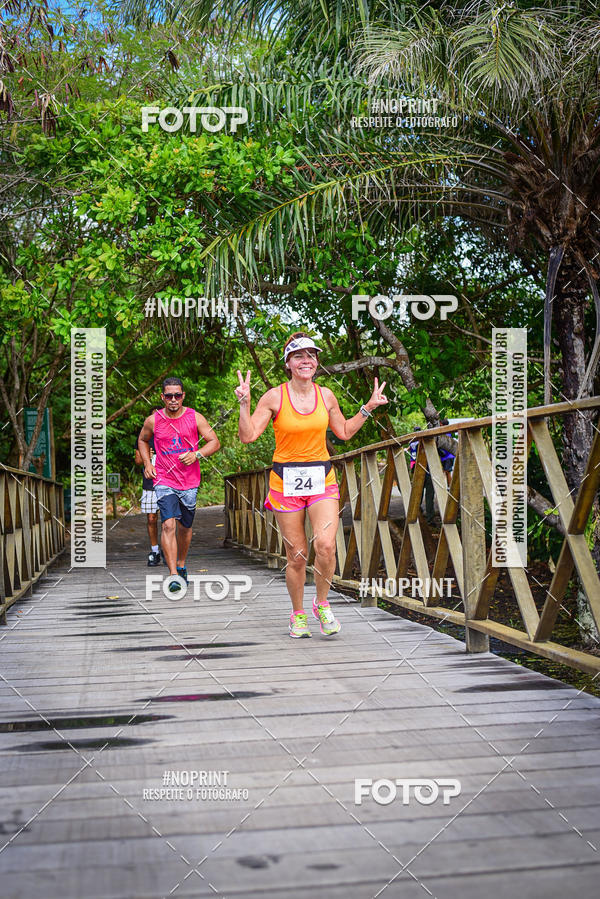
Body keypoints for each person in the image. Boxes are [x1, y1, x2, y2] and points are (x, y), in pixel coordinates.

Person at [235, 332, 388, 638]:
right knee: (298, 556)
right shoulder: (274, 397)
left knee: (326, 545)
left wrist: (368, 407)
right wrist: (245, 403)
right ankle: (298, 613)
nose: (306, 361)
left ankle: (321, 603)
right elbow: (248, 436)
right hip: (285, 482)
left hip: (321, 479)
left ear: (317, 362)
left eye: (311, 355)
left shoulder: (326, 395)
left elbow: (343, 432)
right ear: (288, 364)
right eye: (298, 356)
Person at [138, 378, 220, 592]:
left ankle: (181, 564)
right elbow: (142, 440)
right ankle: (173, 574)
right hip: (164, 479)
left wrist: (197, 454)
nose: (173, 400)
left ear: (183, 396)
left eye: (177, 395)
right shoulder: (153, 420)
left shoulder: (195, 417)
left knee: (185, 527)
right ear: (162, 397)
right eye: (168, 396)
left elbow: (214, 442)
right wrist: (148, 463)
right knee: (168, 524)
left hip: (189, 481)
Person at [134, 428, 162, 566]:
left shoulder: (171, 434)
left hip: (169, 483)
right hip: (150, 484)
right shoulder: (144, 437)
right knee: (152, 518)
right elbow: (138, 460)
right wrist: (148, 458)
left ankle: (169, 550)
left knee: (170, 520)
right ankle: (155, 551)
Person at [408, 426, 435, 525]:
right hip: (427, 468)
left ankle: (418, 513)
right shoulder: (424, 441)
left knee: (418, 492)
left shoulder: (411, 442)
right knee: (429, 494)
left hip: (415, 467)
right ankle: (429, 517)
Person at [438, 418, 456, 487]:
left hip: (449, 456)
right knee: (446, 472)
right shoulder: (444, 432)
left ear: (441, 424)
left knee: (447, 471)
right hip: (444, 456)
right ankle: (449, 487)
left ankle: (450, 487)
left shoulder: (447, 433)